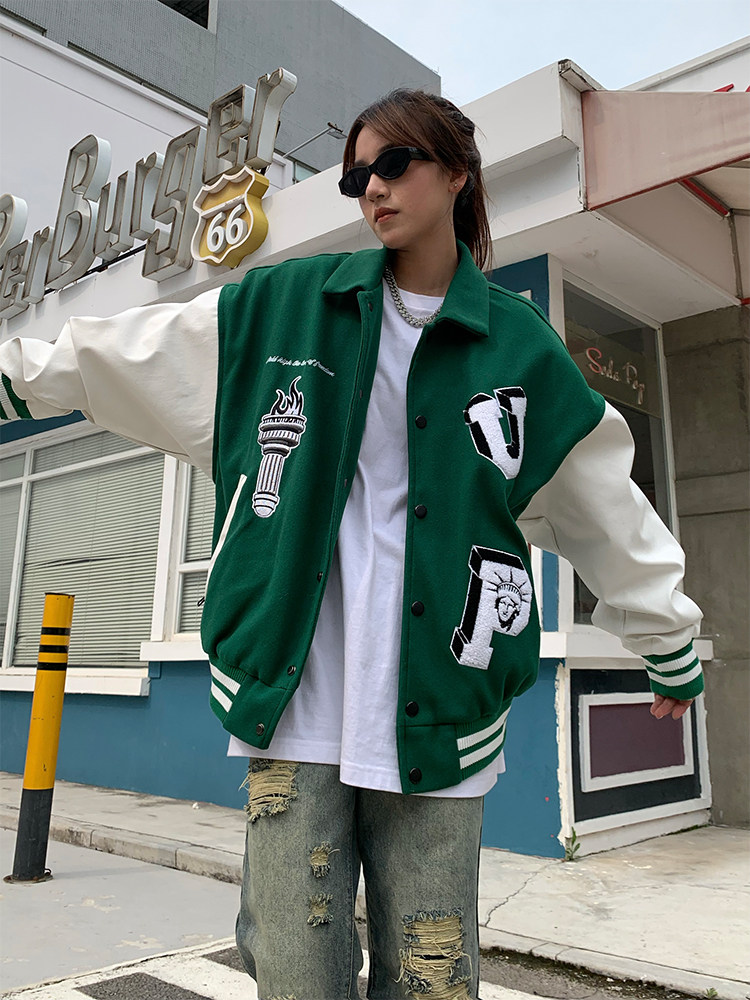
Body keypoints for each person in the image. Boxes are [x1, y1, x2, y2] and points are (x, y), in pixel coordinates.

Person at [0, 90, 703, 999]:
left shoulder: (519, 348)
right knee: (296, 974)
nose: (371, 187)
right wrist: (17, 377)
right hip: (293, 703)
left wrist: (666, 638)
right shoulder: (286, 308)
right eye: (355, 175)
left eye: (394, 164)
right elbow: (124, 351)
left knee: (431, 973)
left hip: (440, 712)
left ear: (458, 172)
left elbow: (602, 500)